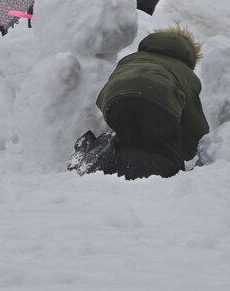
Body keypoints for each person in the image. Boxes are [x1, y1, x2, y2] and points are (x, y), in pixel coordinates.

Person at [68, 26, 208, 180]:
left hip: (114, 101)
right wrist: (191, 147)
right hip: (157, 102)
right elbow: (194, 126)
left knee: (133, 144)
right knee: (170, 164)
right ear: (189, 55)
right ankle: (103, 160)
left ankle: (96, 149)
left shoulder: (131, 58)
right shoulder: (185, 73)